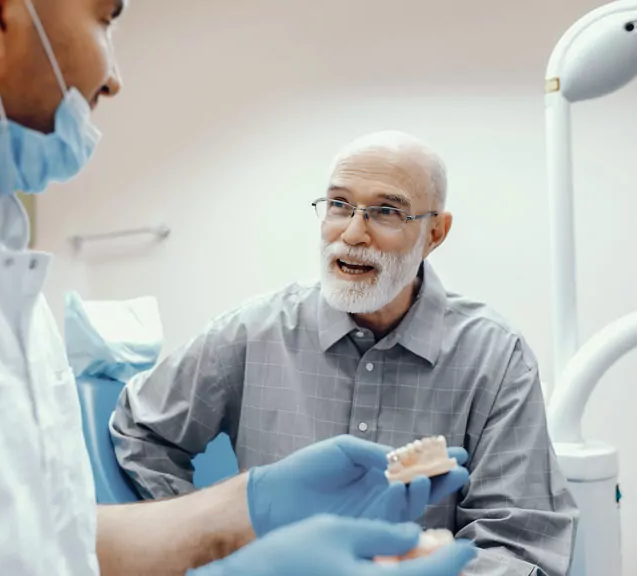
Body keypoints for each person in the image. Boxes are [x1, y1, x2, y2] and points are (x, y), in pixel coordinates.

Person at [0, 1, 479, 575]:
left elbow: (48, 543)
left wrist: (245, 508)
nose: (113, 77)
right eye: (105, 17)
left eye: (386, 211)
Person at [111, 130, 579, 576]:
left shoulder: (496, 358)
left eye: (386, 211)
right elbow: (141, 430)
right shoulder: (253, 332)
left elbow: (517, 541)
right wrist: (210, 547)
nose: (353, 234)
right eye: (339, 205)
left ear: (434, 233)